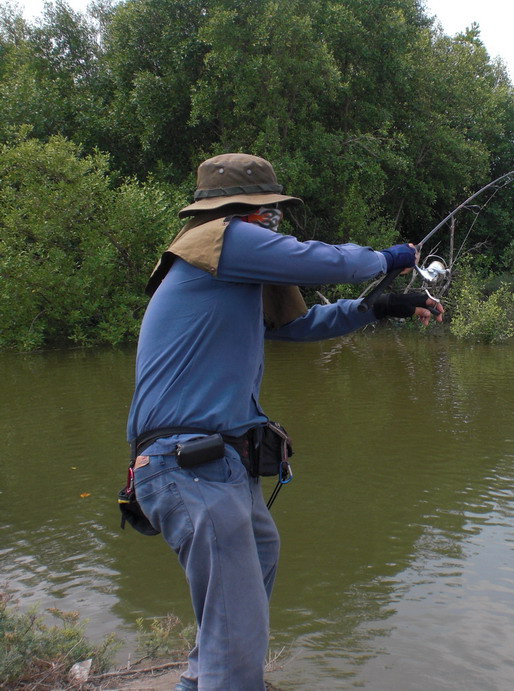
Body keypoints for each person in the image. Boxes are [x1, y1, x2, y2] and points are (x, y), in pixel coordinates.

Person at [125, 153, 442, 690]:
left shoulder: (225, 271)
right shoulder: (219, 239)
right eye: (264, 212)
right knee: (237, 639)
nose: (271, 221)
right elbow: (325, 261)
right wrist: (389, 257)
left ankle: (200, 681)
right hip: (189, 463)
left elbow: (298, 326)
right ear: (237, 211)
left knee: (256, 563)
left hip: (211, 465)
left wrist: (381, 307)